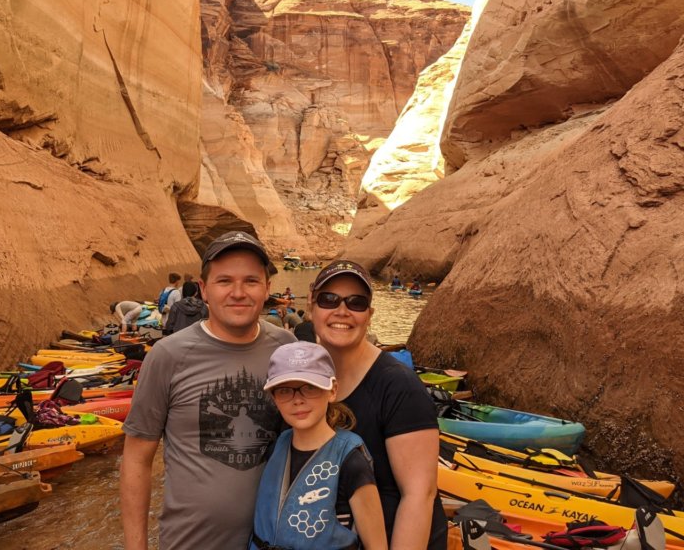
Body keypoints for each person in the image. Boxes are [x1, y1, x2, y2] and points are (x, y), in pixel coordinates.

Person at [121, 231, 297, 550]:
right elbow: (136, 458)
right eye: (224, 281)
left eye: (251, 281)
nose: (238, 292)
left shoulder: (286, 349)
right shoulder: (167, 356)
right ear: (204, 289)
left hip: (275, 541)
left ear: (267, 288)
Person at [310, 260, 445, 549]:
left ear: (369, 315)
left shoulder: (399, 387)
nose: (342, 310)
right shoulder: (305, 381)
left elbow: (419, 496)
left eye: (356, 303)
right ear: (312, 306)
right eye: (329, 299)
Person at [251, 341, 387, 550]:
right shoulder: (276, 447)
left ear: (332, 390)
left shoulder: (351, 463)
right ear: (274, 398)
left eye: (310, 388)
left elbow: (377, 545)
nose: (298, 400)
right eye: (285, 391)